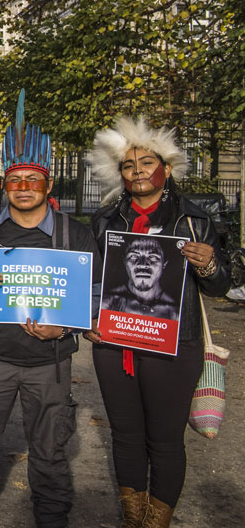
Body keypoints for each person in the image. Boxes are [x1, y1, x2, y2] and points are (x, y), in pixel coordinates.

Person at [0, 90, 101, 528]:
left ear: (48, 185)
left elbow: (91, 299)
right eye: (15, 179)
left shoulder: (75, 235)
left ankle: (52, 518)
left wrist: (65, 330)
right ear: (2, 185)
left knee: (50, 449)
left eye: (33, 179)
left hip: (48, 362)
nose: (24, 187)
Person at [86, 117, 230, 528]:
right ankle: (133, 514)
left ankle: (157, 520)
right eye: (129, 166)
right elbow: (93, 279)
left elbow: (221, 286)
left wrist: (210, 264)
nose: (138, 172)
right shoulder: (104, 220)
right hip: (114, 344)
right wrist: (88, 319)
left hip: (173, 345)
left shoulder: (193, 220)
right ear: (120, 174)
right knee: (126, 434)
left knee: (164, 439)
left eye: (147, 163)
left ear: (166, 167)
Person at [101, 236, 180, 320]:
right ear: (124, 261)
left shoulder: (175, 312)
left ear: (164, 263)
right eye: (134, 256)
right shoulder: (106, 303)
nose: (142, 264)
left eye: (152, 257)